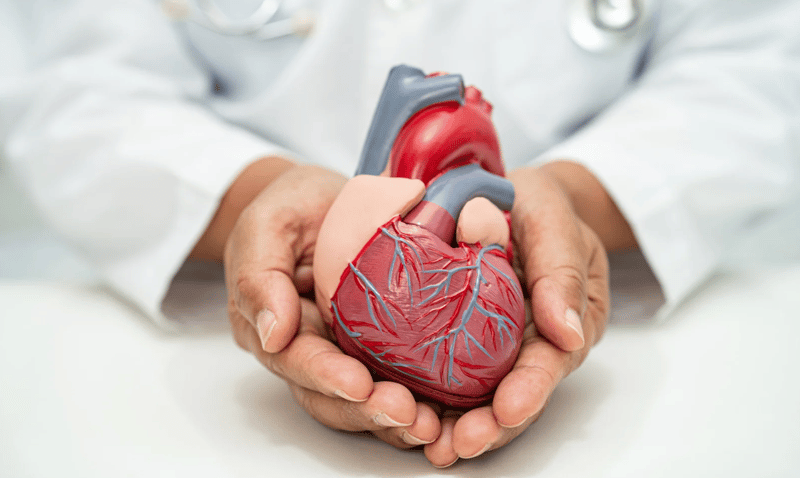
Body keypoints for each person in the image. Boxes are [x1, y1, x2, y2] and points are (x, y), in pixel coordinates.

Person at [1, 0, 799, 469]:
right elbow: (74, 91)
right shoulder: (422, 240)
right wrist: (255, 198)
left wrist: (577, 200)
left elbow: (758, 63)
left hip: (664, 364)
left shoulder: (440, 242)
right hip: (183, 364)